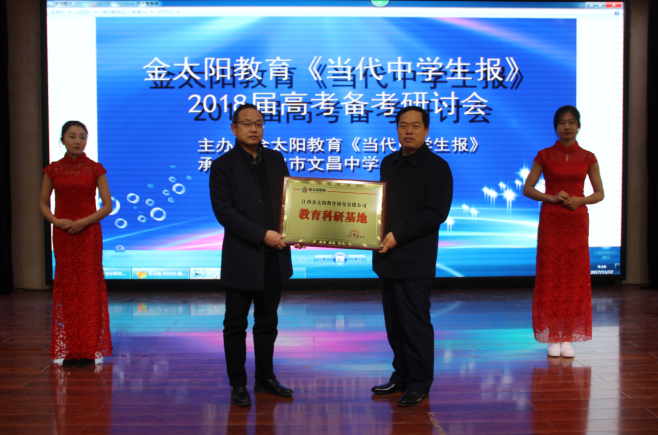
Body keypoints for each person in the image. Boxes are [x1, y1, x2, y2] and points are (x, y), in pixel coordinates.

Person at [209, 103, 294, 407]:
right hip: (242, 257)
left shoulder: (275, 158)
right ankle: (238, 384)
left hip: (274, 256)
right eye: (247, 123)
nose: (254, 128)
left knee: (267, 322)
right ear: (234, 128)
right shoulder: (222, 165)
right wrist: (261, 234)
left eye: (259, 123)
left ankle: (265, 378)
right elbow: (224, 212)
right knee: (235, 324)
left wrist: (295, 231)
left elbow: (289, 201)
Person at [371, 106, 453, 407]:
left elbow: (436, 213)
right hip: (387, 257)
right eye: (403, 125)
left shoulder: (438, 167)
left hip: (415, 259)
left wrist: (398, 235)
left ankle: (419, 383)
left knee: (415, 324)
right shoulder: (389, 163)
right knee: (394, 325)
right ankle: (402, 375)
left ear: (426, 130)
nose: (408, 131)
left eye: (416, 126)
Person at [523, 105, 604, 358]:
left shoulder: (588, 157)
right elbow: (528, 188)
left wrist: (581, 200)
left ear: (578, 126)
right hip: (552, 220)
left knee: (573, 276)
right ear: (555, 127)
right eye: (561, 122)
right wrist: (551, 197)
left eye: (571, 122)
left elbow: (600, 193)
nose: (566, 127)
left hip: (576, 221)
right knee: (551, 275)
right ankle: (552, 335)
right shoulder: (545, 155)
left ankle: (567, 336)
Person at [39, 121, 113, 368]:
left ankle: (88, 350)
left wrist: (84, 222)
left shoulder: (95, 169)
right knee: (68, 289)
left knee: (88, 288)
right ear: (62, 140)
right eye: (72, 136)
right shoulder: (53, 170)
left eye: (82, 136)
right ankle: (71, 349)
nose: (78, 141)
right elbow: (42, 203)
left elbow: (107, 205)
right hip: (63, 234)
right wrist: (56, 221)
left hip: (88, 233)